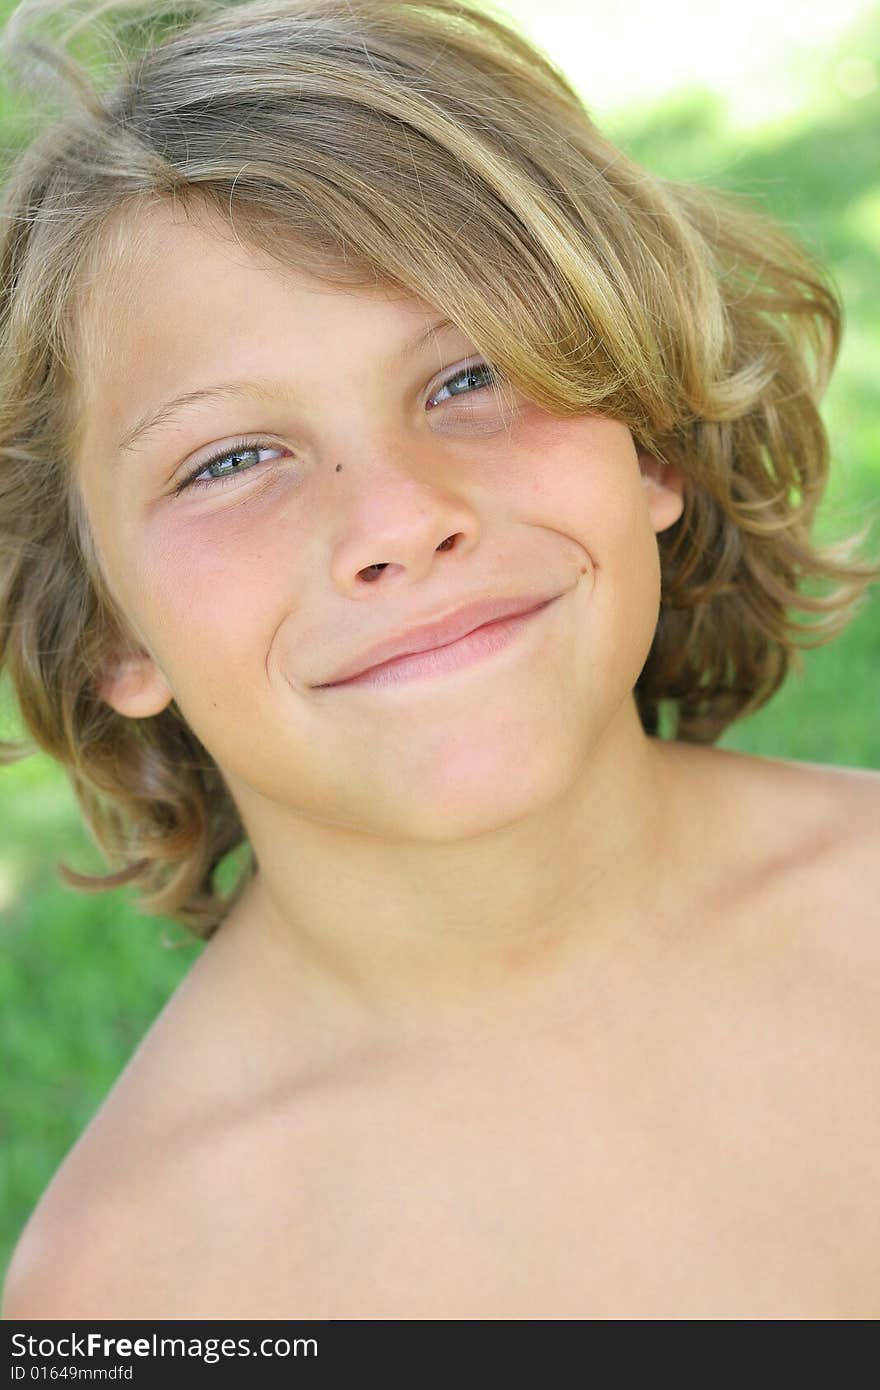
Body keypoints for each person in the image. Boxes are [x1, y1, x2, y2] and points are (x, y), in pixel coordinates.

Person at [1, 0, 878, 1320]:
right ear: (110, 629)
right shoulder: (130, 1291)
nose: (402, 518)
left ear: (649, 439)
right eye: (231, 459)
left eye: (470, 374)